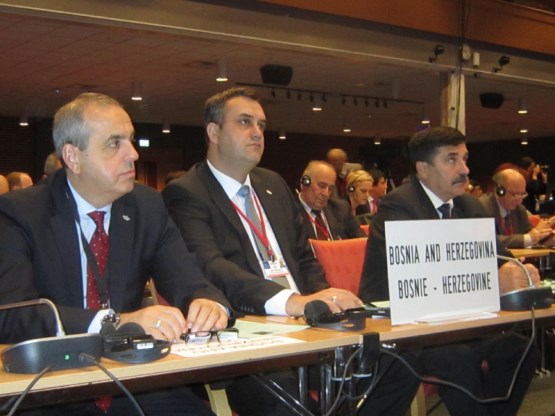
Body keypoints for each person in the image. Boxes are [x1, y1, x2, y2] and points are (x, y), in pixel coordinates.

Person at [163, 87, 419, 416]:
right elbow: (211, 267)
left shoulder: (272, 184)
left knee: (400, 362)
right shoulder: (186, 192)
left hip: (306, 325)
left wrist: (319, 302)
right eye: (244, 122)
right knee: (289, 394)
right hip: (247, 337)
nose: (257, 132)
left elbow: (303, 256)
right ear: (213, 131)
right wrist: (289, 302)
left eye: (261, 124)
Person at [0, 92, 231, 416]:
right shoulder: (20, 213)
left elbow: (187, 279)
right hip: (50, 384)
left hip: (128, 375)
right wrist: (115, 321)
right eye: (114, 143)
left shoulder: (147, 206)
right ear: (73, 156)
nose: (133, 154)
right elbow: (11, 314)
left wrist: (205, 302)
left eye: (131, 140)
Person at [359, 126, 540, 416]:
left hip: (460, 323)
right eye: (452, 159)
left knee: (521, 349)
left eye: (465, 159)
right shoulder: (399, 206)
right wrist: (496, 279)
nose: (465, 170)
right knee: (458, 357)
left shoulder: (470, 206)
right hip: (407, 325)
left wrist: (518, 270)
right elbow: (423, 272)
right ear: (423, 169)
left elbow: (496, 259)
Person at [479, 168, 554, 249]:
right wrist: (527, 238)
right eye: (516, 195)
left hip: (519, 260)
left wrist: (545, 238)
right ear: (500, 191)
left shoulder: (519, 210)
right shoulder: (482, 207)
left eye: (523, 194)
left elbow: (531, 234)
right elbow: (488, 240)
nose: (520, 200)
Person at [298, 160, 364, 240]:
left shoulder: (341, 208)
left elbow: (362, 241)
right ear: (305, 183)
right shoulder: (290, 213)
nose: (326, 194)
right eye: (322, 186)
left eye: (330, 188)